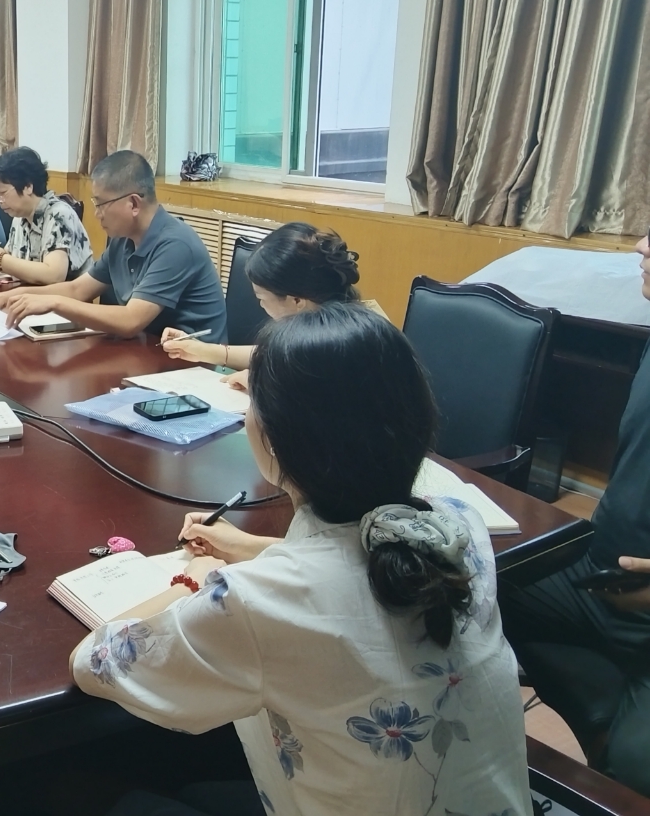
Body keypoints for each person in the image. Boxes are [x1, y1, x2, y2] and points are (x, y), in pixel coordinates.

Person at [71, 302, 530, 815]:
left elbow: (95, 663)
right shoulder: (458, 527)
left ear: (270, 438)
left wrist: (196, 577)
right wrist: (252, 549)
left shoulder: (255, 600)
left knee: (125, 800)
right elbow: (355, 568)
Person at [499, 232, 650, 796]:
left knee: (635, 775)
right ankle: (604, 721)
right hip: (600, 574)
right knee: (454, 588)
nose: (642, 245)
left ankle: (617, 738)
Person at [0, 150, 225, 340]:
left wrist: (54, 302)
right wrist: (18, 295)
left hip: (195, 365)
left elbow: (131, 320)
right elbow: (78, 290)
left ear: (134, 204)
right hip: (148, 351)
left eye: (101, 204)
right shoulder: (123, 239)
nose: (97, 214)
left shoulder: (175, 245)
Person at [161, 223, 377, 391]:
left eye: (262, 298)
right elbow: (277, 354)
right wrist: (203, 350)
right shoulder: (347, 319)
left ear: (296, 301)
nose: (260, 304)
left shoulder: (331, 343)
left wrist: (261, 385)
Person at [0, 145, 92, 284]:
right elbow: (11, 258)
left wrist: (0, 260)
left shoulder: (58, 215)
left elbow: (53, 275)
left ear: (28, 187)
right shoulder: (19, 217)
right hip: (30, 293)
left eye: (2, 192)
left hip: (63, 296)